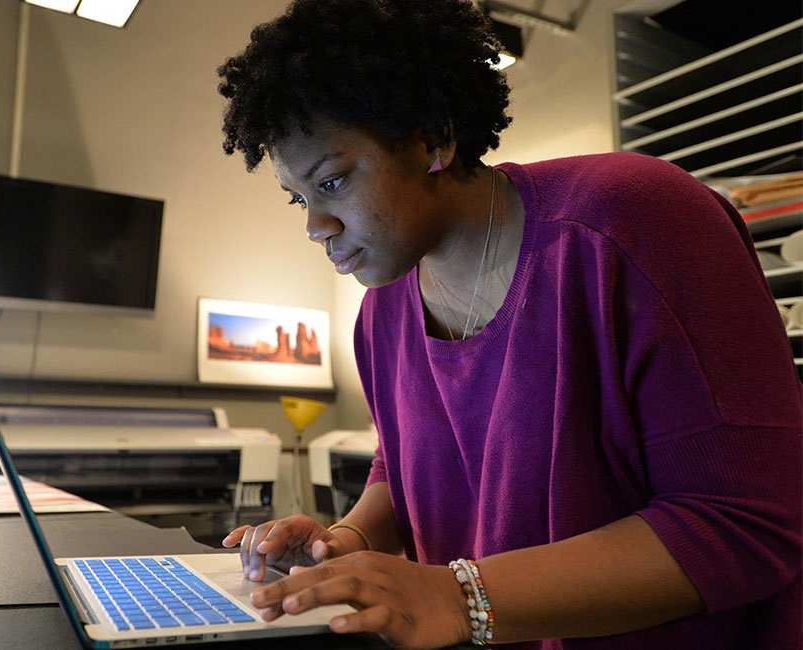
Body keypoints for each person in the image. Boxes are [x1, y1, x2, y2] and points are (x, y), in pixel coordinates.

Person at [215, 0, 803, 648]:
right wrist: (345, 541)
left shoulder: (635, 223)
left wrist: (456, 595)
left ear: (433, 137)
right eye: (298, 198)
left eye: (331, 183)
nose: (313, 227)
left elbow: (745, 522)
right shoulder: (380, 313)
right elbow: (401, 467)